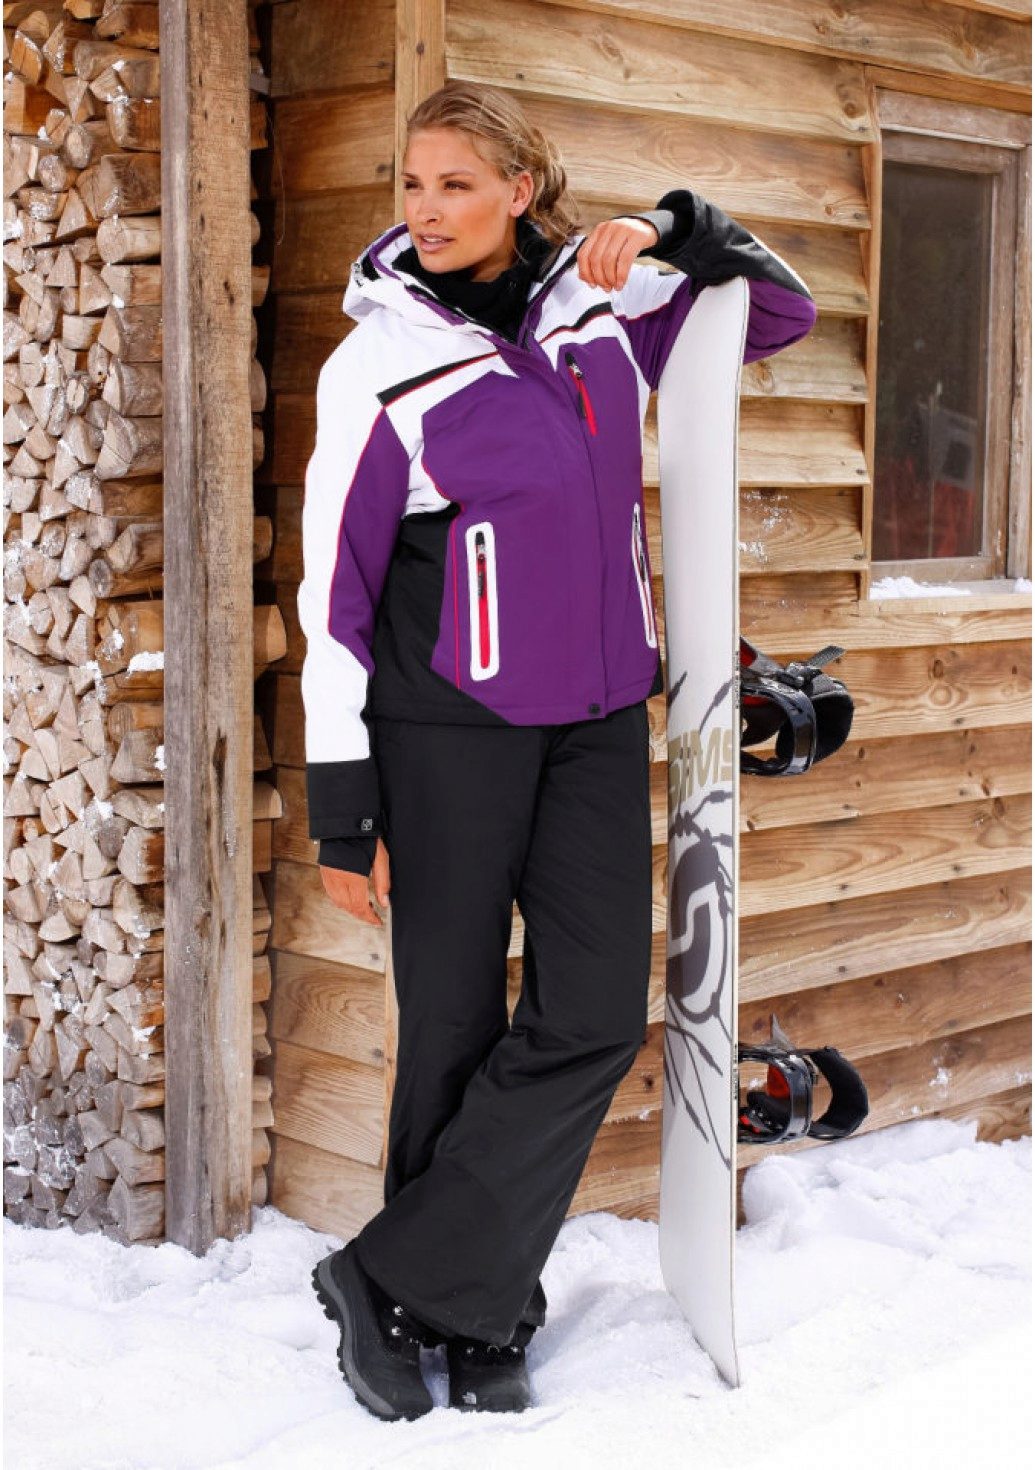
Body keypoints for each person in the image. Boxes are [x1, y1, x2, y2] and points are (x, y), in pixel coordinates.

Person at [300, 80, 817, 1422]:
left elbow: (777, 312)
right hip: (443, 736)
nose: (427, 211)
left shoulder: (602, 310)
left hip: (593, 726)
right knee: (454, 1025)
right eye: (413, 185)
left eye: (457, 184)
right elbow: (333, 598)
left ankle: (392, 1278)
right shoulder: (378, 367)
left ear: (520, 189)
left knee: (591, 1015)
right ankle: (475, 1318)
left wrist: (672, 231)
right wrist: (344, 805)